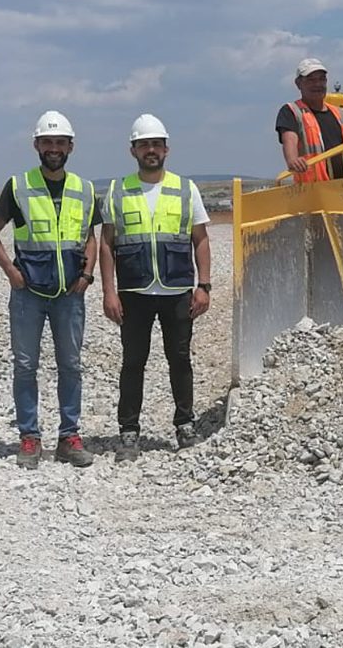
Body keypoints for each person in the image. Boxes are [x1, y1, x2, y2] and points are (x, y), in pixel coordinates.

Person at [0, 110, 99, 469]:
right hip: (28, 294)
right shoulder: (18, 186)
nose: (53, 148)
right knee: (25, 366)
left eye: (60, 142)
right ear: (36, 145)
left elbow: (90, 237)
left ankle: (69, 438)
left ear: (70, 147)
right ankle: (30, 438)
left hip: (69, 295)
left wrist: (87, 275)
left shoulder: (85, 188)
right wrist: (10, 272)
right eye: (47, 142)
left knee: (71, 365)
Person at [99, 113, 213, 462]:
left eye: (157, 144)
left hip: (177, 290)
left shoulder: (185, 188)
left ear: (166, 149)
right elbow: (107, 243)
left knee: (179, 359)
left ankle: (185, 424)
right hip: (134, 293)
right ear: (133, 150)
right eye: (144, 144)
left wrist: (204, 285)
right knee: (133, 362)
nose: (151, 150)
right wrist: (109, 291)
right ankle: (129, 432)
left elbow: (201, 240)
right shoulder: (118, 190)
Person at [278, 58, 343, 182]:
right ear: (298, 83)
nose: (317, 84)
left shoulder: (341, 114)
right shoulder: (292, 112)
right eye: (311, 80)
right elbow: (289, 140)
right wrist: (293, 160)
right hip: (313, 191)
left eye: (321, 79)